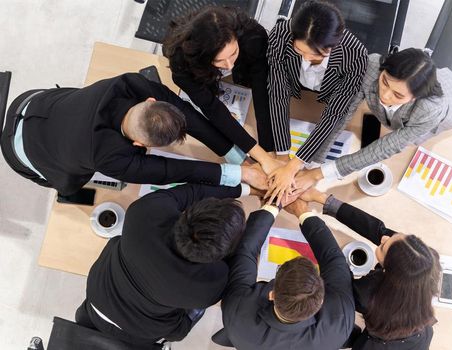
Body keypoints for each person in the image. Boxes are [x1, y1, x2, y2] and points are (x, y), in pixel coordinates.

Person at [0, 73, 267, 197]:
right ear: (139, 144)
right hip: (20, 149)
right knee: (70, 181)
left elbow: (190, 116)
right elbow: (171, 170)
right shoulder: (108, 158)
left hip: (36, 102)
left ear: (151, 100)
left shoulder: (126, 84)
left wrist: (235, 156)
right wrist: (241, 175)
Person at [75, 182, 257, 345]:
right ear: (219, 256)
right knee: (187, 317)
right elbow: (242, 258)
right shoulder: (208, 286)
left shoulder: (144, 212)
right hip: (139, 332)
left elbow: (192, 190)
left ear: (191, 211)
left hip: (98, 294)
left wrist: (244, 187)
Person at [292, 48, 452, 191]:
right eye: (385, 81)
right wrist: (312, 162)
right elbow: (342, 114)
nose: (385, 95)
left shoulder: (430, 109)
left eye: (397, 94)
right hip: (404, 109)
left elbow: (385, 147)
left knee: (405, 152)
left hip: (447, 113)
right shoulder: (373, 66)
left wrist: (318, 174)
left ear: (415, 97)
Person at [298, 188, 440, 349]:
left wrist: (304, 215)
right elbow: (380, 231)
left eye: (384, 246)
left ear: (390, 269)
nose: (385, 238)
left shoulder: (367, 294)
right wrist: (323, 199)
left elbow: (337, 271)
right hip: (417, 334)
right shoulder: (423, 262)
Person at [262, 0, 368, 205]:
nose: (308, 59)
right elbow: (278, 92)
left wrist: (295, 165)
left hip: (326, 96)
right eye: (301, 51)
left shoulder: (356, 54)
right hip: (297, 91)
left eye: (316, 54)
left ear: (333, 46)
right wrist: (283, 156)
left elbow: (334, 113)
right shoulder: (280, 34)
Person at [213, 198, 355, 350]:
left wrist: (275, 204)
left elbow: (245, 252)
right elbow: (333, 258)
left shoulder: (237, 312)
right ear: (320, 302)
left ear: (272, 295)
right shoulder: (341, 322)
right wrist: (302, 211)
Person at [163, 6, 284, 176]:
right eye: (219, 60)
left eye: (233, 53)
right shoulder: (182, 61)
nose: (229, 65)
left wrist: (268, 149)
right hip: (207, 81)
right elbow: (212, 109)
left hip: (243, 78)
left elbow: (261, 90)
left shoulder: (252, 37)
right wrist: (262, 157)